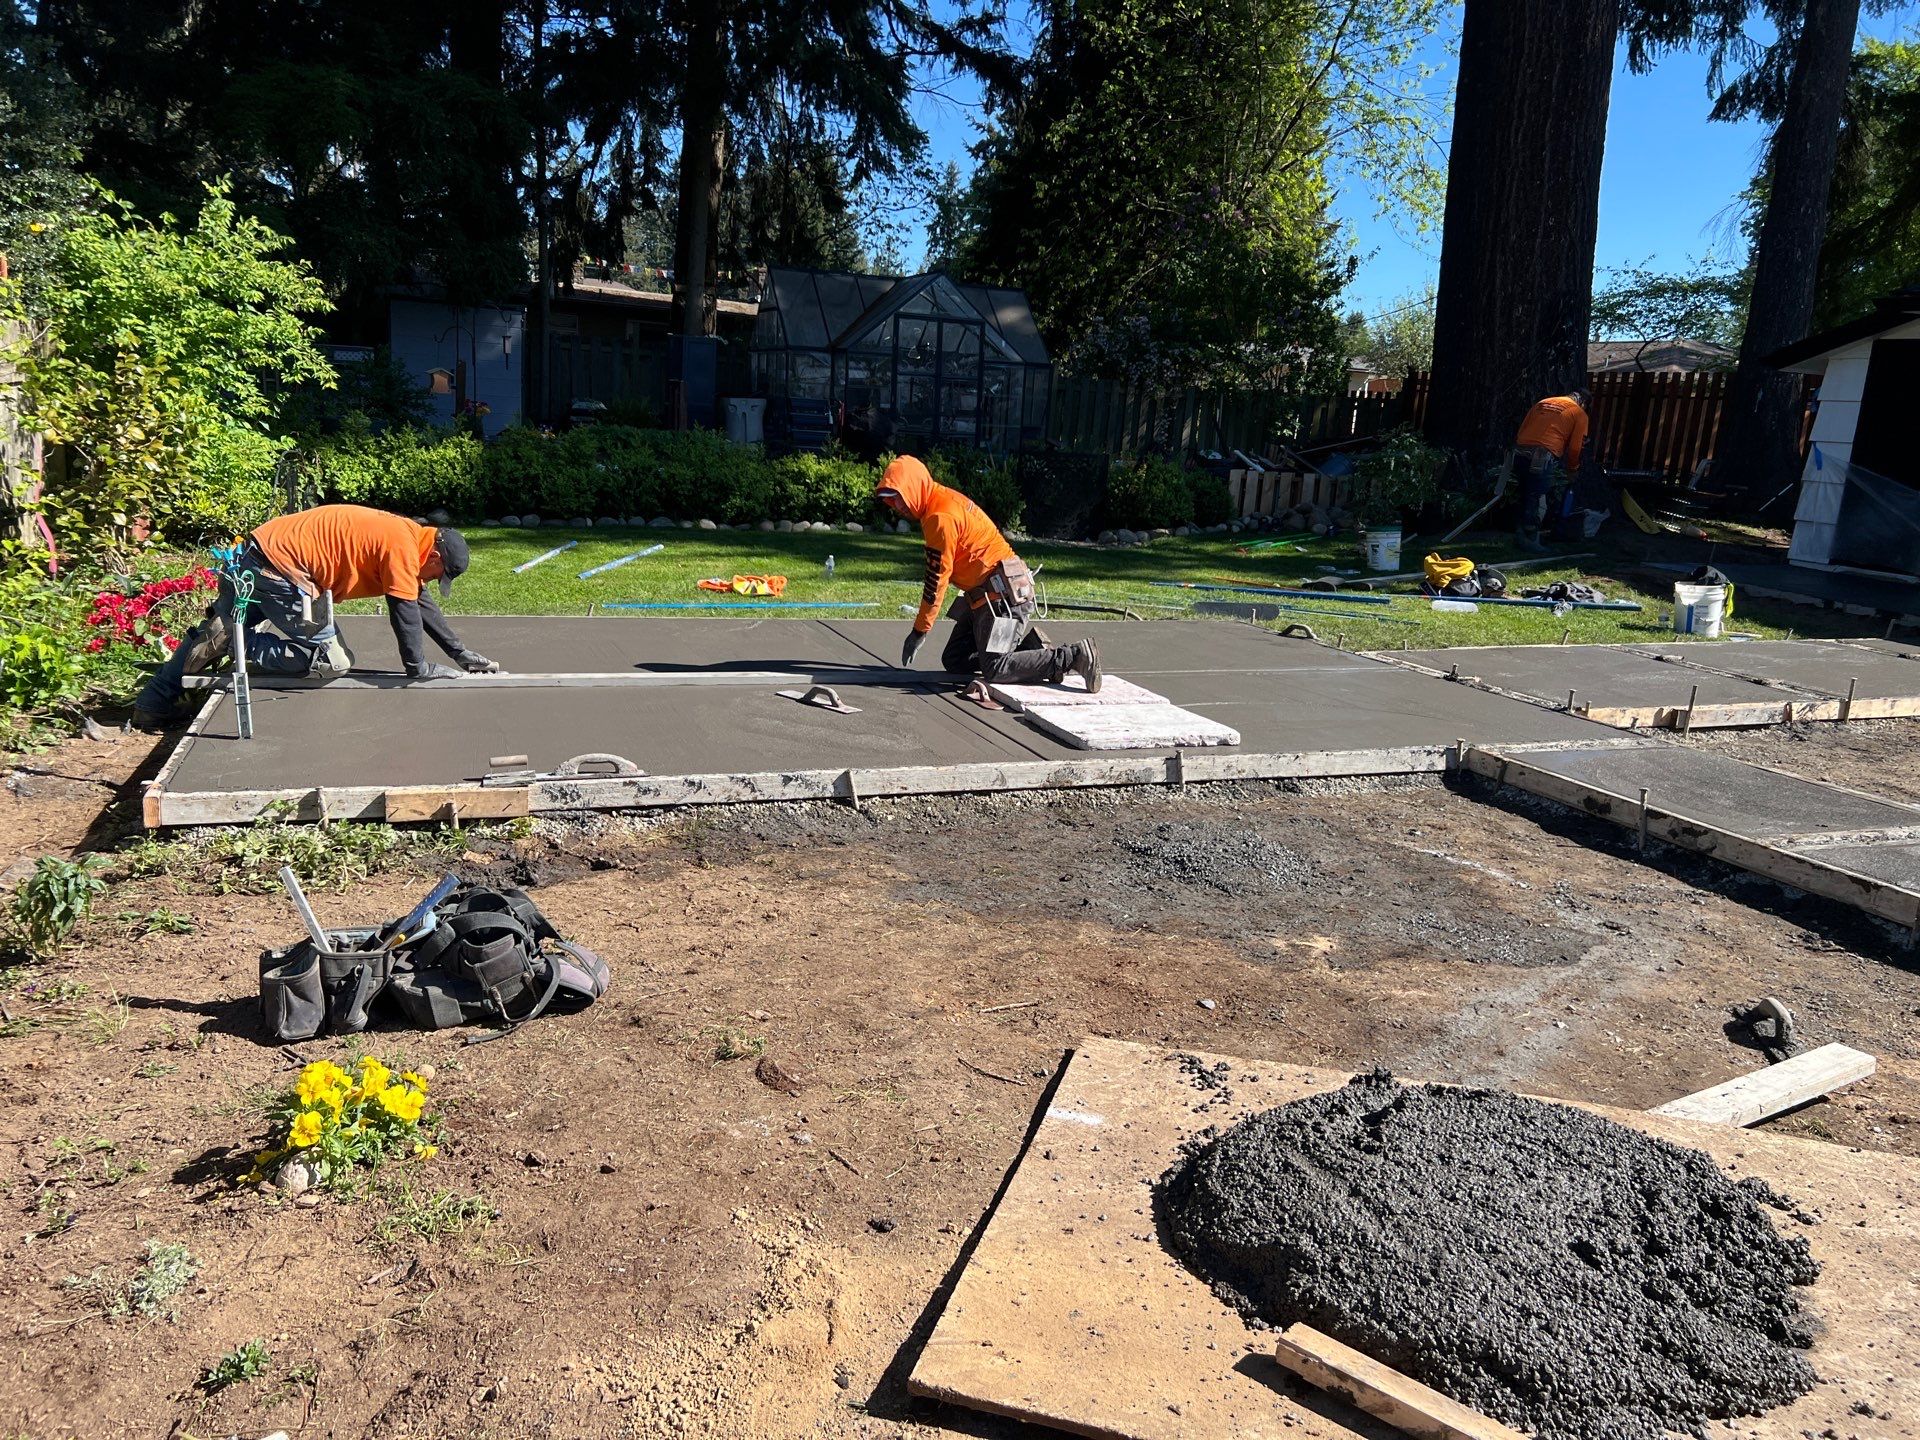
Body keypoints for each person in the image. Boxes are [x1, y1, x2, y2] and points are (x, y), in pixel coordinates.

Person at [134, 503, 496, 729]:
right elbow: (404, 613)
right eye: (438, 575)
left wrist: (458, 652)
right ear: (434, 556)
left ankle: (153, 705)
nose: (431, 581)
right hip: (279, 571)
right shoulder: (402, 547)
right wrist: (418, 668)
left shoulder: (408, 537)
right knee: (333, 662)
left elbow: (418, 602)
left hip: (255, 556)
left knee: (214, 630)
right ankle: (238, 643)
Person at [876, 455, 1101, 691]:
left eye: (899, 497)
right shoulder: (941, 499)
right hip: (987, 596)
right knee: (955, 659)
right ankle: (1032, 651)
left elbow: (936, 579)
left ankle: (1074, 656)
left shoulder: (940, 517)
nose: (897, 506)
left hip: (1003, 600)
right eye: (891, 500)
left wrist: (919, 631)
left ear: (915, 486)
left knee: (996, 668)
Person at [1510, 388, 1591, 552]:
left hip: (1520, 451)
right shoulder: (1579, 413)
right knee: (1537, 495)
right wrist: (1572, 468)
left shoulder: (1543, 402)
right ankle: (1531, 539)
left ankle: (1520, 533)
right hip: (1542, 454)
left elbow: (1523, 428)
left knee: (1524, 492)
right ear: (1583, 403)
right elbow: (1575, 447)